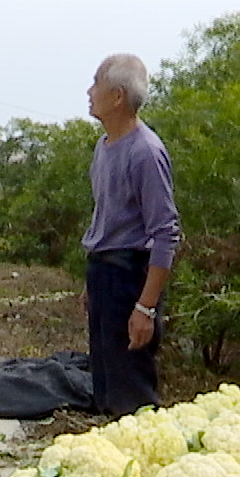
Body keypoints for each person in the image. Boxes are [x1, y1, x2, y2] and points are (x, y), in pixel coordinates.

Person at [79, 53, 181, 416]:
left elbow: (166, 234)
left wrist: (145, 307)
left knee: (132, 395)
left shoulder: (146, 152)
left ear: (118, 95)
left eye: (96, 83)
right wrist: (93, 284)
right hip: (104, 273)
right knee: (105, 387)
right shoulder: (104, 147)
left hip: (131, 279)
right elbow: (105, 218)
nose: (89, 92)